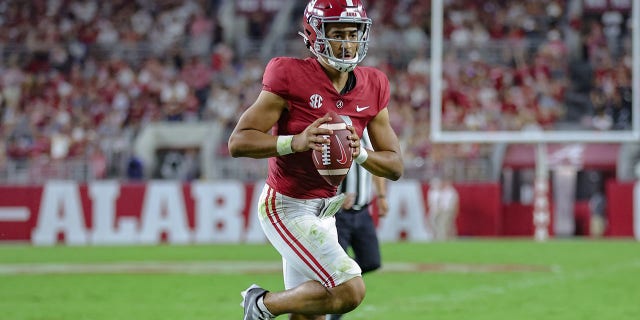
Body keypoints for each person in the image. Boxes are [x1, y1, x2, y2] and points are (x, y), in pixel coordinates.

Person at [227, 1, 403, 319]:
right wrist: (295, 142)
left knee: (312, 314)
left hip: (326, 209)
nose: (348, 42)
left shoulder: (374, 84)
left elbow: (395, 165)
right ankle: (261, 304)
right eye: (338, 33)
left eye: (354, 33)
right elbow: (238, 142)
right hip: (286, 205)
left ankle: (264, 306)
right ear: (314, 35)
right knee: (349, 287)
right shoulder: (289, 74)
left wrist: (360, 153)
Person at [327, 129, 388, 320]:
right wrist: (335, 199)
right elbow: (318, 169)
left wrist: (381, 196)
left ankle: (329, 298)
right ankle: (327, 312)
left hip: (362, 212)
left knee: (371, 261)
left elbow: (376, 165)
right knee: (338, 272)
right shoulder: (332, 131)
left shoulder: (368, 132)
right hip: (338, 216)